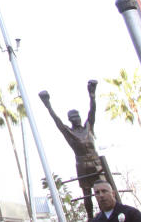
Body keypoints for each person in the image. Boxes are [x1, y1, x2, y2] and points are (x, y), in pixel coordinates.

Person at [40, 80, 100, 220]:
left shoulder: (88, 127)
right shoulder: (70, 133)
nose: (77, 119)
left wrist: (92, 95)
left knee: (103, 188)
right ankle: (90, 217)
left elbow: (92, 112)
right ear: (70, 120)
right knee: (87, 194)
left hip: (97, 162)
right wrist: (48, 105)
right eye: (73, 118)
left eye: (78, 116)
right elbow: (58, 122)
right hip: (82, 164)